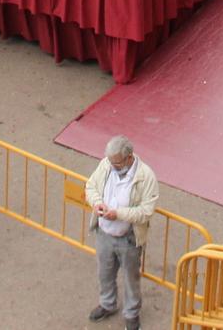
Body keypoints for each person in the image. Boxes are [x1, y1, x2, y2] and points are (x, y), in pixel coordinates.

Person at [85, 135, 159, 328]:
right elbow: (91, 186)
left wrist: (118, 214)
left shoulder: (146, 176)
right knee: (105, 273)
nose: (113, 166)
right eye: (110, 161)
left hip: (129, 239)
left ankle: (131, 314)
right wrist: (97, 203)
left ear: (129, 157)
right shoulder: (106, 165)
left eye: (117, 162)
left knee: (130, 279)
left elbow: (146, 211)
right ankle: (107, 304)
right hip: (104, 234)